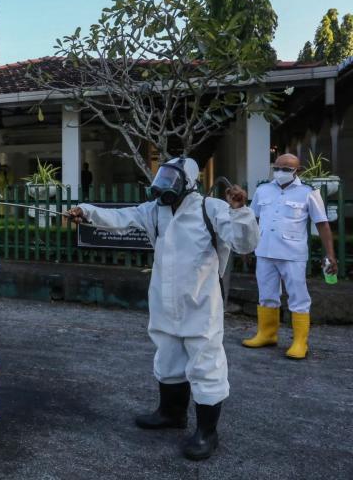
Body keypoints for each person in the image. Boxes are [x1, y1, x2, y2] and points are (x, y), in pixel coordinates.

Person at [67, 157, 259, 461]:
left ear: (189, 182)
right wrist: (86, 212)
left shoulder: (211, 209)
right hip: (164, 300)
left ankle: (208, 432)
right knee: (168, 355)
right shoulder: (155, 211)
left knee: (205, 363)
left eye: (173, 178)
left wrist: (239, 211)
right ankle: (171, 414)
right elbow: (122, 217)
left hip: (200, 304)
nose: (166, 184)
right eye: (164, 177)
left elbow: (245, 243)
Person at [242, 153, 337, 359]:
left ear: (298, 170)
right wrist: (248, 248)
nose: (280, 172)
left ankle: (300, 341)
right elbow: (252, 220)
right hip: (265, 251)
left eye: (286, 169)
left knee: (298, 298)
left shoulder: (308, 193)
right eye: (277, 167)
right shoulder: (263, 190)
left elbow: (322, 224)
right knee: (266, 295)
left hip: (292, 254)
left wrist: (330, 254)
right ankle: (267, 334)